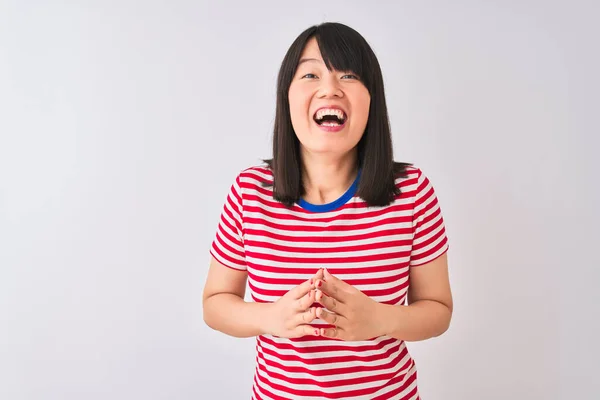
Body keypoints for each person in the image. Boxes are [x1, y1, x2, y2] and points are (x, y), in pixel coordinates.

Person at [202, 22, 453, 400]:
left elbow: (438, 310)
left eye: (349, 75)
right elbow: (215, 304)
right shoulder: (249, 192)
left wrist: (380, 319)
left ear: (373, 99)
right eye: (311, 73)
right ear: (286, 96)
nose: (330, 88)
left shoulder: (411, 191)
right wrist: (271, 317)